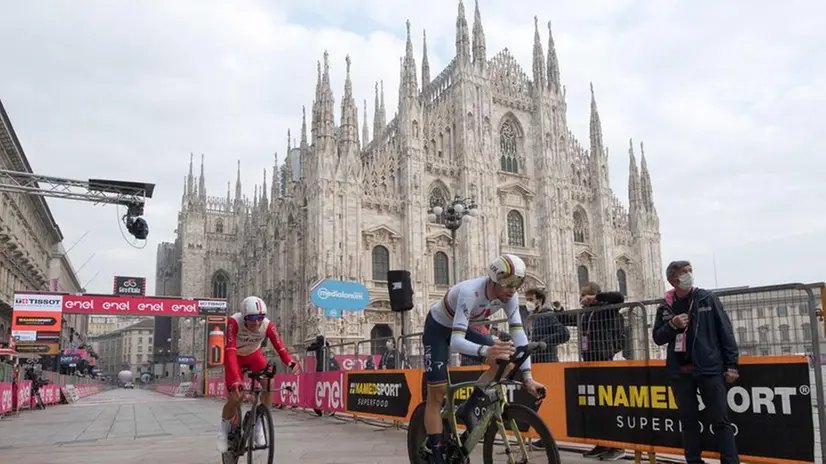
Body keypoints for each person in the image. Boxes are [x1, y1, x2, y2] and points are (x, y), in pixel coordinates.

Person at [421, 254, 546, 464]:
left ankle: (470, 405)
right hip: (438, 329)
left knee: (505, 361)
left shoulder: (510, 296)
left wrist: (528, 377)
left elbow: (519, 335)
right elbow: (457, 342)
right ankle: (436, 454)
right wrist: (486, 351)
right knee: (437, 394)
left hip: (462, 328)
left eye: (518, 283)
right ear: (494, 279)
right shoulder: (471, 292)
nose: (512, 289)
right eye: (508, 283)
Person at [653, 260, 740, 464]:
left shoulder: (707, 299)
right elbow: (657, 337)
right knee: (689, 421)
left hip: (708, 368)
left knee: (720, 420)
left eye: (690, 271)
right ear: (672, 279)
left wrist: (732, 365)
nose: (689, 275)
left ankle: (730, 461)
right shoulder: (665, 306)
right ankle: (693, 461)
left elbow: (725, 333)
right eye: (684, 272)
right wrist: (672, 325)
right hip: (680, 372)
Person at [216, 296, 301, 453]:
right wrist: (236, 379)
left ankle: (259, 424)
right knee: (236, 396)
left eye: (260, 318)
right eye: (252, 318)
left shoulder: (267, 325)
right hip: (234, 358)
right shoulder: (234, 322)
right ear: (244, 316)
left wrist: (291, 362)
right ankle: (223, 431)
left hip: (255, 356)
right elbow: (229, 351)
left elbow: (280, 348)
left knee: (269, 383)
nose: (256, 322)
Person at [557, 282, 626, 460]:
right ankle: (601, 443)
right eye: (581, 295)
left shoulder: (607, 309)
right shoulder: (585, 314)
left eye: (584, 295)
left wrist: (596, 299)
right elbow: (566, 319)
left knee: (607, 405)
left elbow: (619, 297)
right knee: (595, 406)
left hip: (603, 360)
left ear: (594, 295)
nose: (581, 298)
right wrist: (558, 310)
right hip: (589, 360)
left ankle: (617, 446)